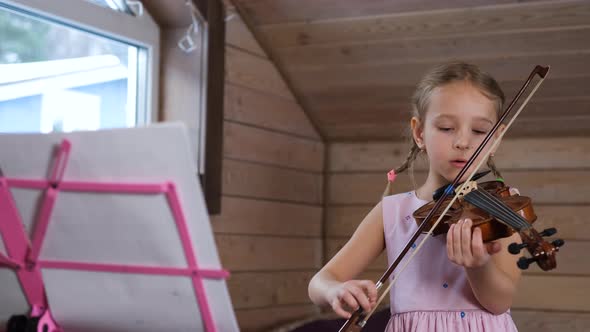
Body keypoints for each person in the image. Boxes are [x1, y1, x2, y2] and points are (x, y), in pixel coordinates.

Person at [308, 62, 522, 331]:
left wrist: (479, 267)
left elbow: (499, 302)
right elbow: (320, 282)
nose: (463, 142)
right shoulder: (394, 211)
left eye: (479, 131)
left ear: (496, 139)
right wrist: (334, 290)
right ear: (420, 132)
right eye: (446, 128)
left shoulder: (501, 207)